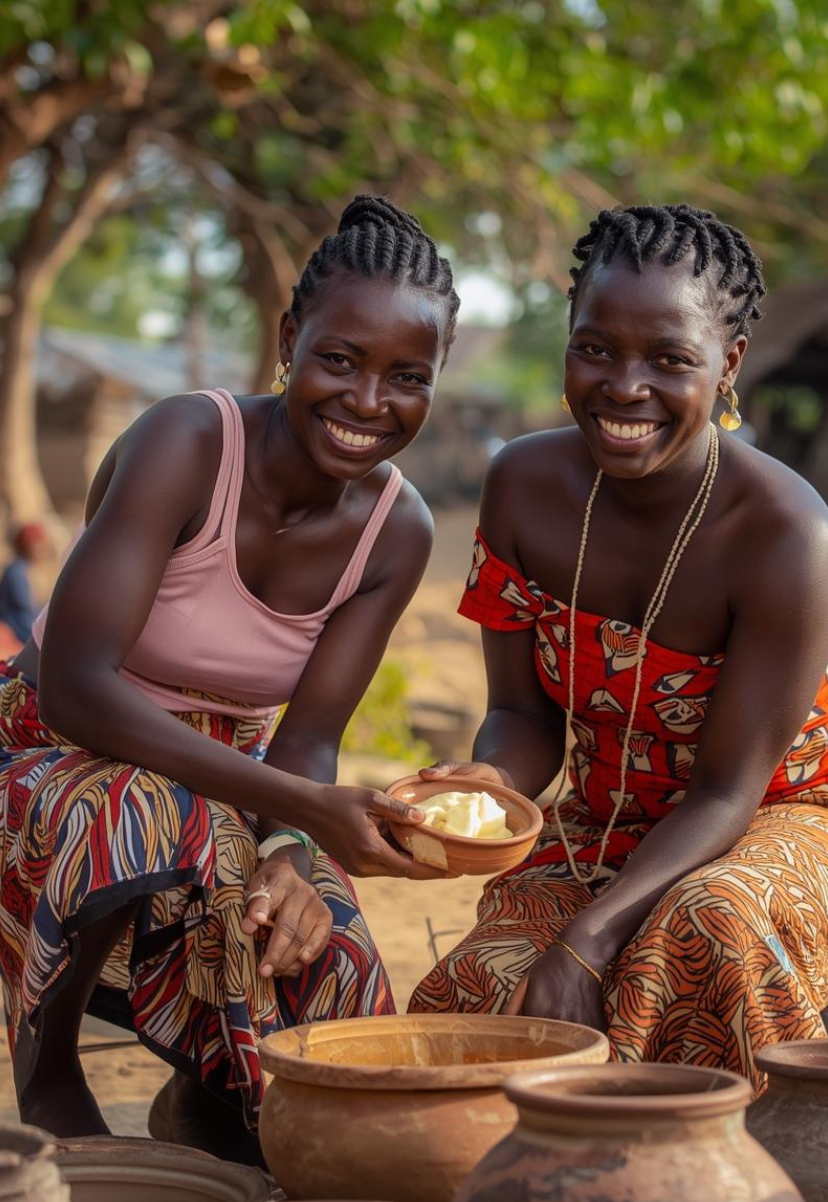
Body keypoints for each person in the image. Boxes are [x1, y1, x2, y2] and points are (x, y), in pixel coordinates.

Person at [0, 194, 460, 1159]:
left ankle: (220, 1106)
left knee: (321, 939)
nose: (370, 403)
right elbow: (77, 685)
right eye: (341, 360)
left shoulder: (397, 529)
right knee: (145, 812)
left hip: (239, 776)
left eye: (407, 377)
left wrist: (295, 843)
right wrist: (298, 804)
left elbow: (309, 739)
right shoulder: (190, 441)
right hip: (47, 750)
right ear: (291, 339)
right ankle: (48, 1078)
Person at [409, 203, 828, 1092]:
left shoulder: (785, 533)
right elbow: (521, 716)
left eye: (670, 360)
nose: (624, 387)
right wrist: (487, 782)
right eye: (596, 348)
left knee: (709, 923)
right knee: (489, 986)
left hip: (775, 816)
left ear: (729, 367)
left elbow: (726, 788)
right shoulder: (523, 485)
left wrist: (589, 937)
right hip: (602, 826)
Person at [0, 522, 49, 656]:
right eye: (39, 546)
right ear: (28, 547)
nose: (43, 550)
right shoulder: (16, 572)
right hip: (14, 628)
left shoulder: (21, 570)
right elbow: (22, 610)